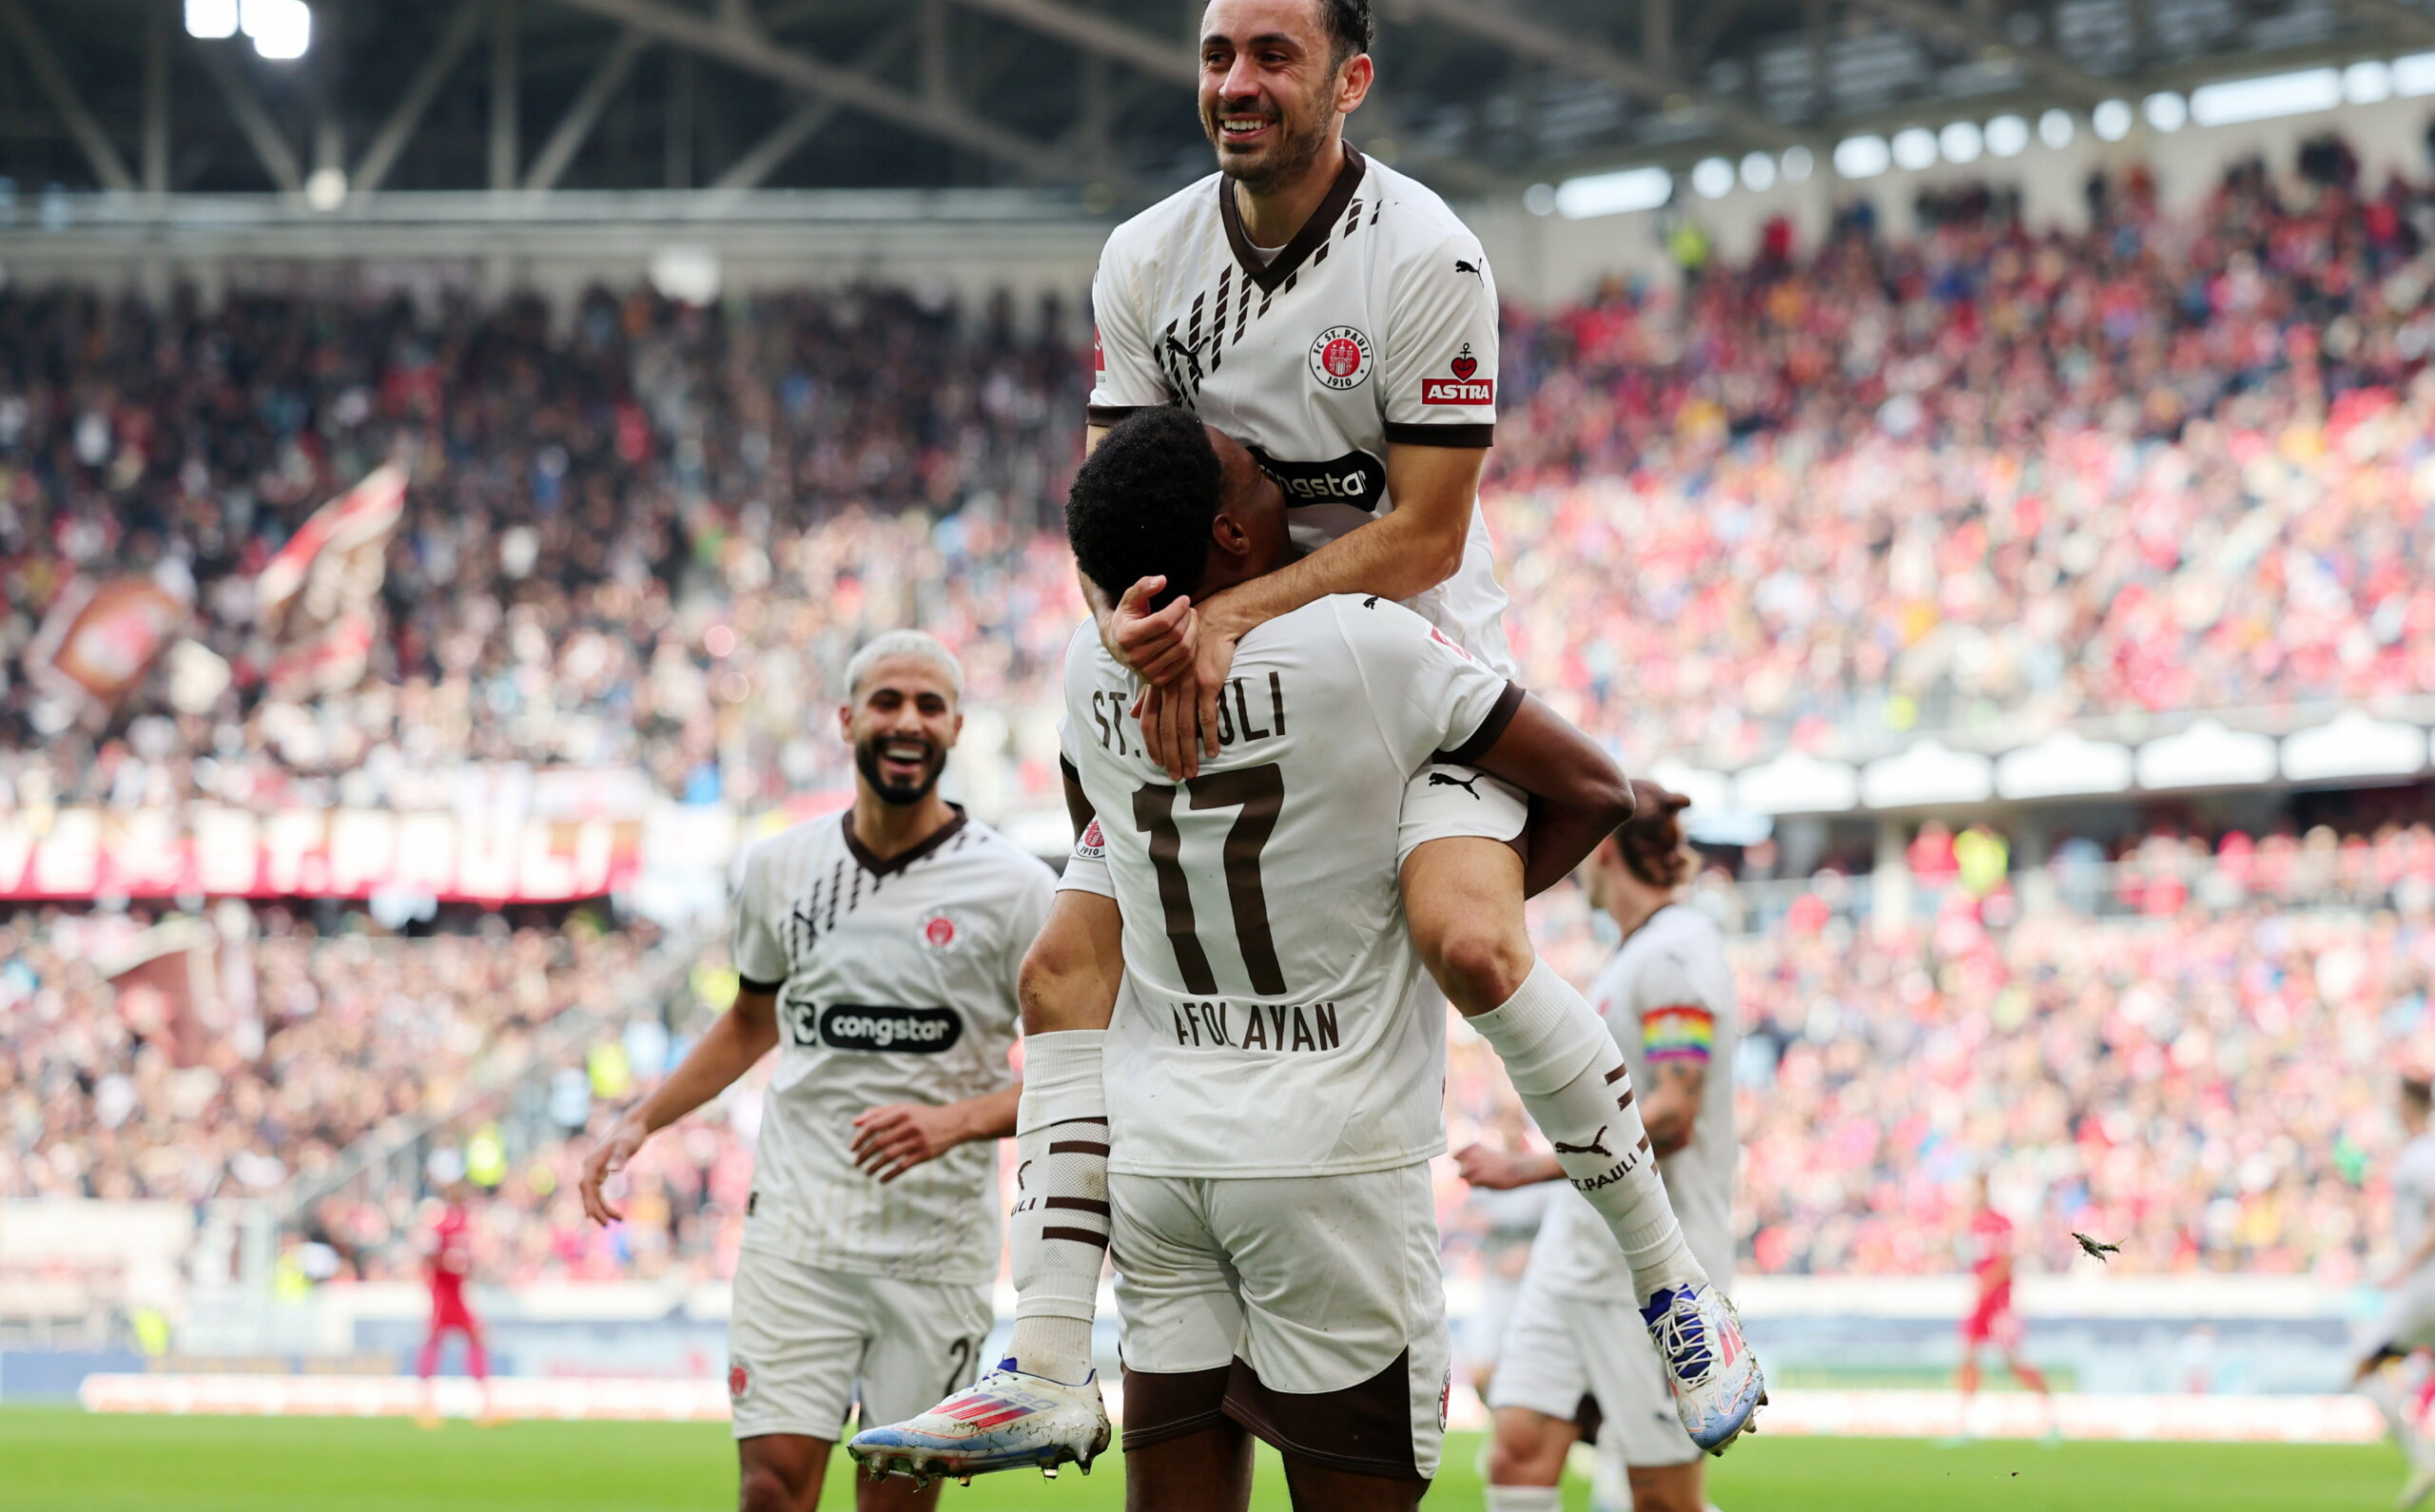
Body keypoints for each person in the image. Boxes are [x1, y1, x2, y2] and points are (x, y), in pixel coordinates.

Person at [851, 413, 1762, 1503]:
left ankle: (1045, 1351)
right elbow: (1599, 788)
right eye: (1255, 468)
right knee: (1479, 948)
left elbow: (1100, 823)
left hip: (1161, 1165)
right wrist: (1411, 895)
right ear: (1234, 536)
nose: (1278, 459)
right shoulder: (1365, 642)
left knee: (1055, 971)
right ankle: (1673, 1285)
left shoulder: (1086, 670)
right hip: (1332, 1165)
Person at [1081, 0, 1722, 1411]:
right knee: (1067, 954)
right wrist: (1137, 617)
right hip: (1220, 653)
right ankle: (1044, 1346)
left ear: (1351, 80)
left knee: (1475, 946)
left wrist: (1246, 617)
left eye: (1274, 55)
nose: (1236, 83)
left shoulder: (1425, 255)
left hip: (1409, 651)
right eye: (1217, 55)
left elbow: (1428, 533)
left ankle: (1671, 1275)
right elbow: (1115, 498)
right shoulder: (1145, 259)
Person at [577, 630, 1054, 1512]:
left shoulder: (1018, 888)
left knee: (896, 1498)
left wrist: (954, 1120)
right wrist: (641, 1117)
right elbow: (750, 1020)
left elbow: (1078, 1071)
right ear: (846, 720)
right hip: (797, 1235)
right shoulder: (780, 868)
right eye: (886, 701)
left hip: (933, 1247)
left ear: (955, 726)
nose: (907, 721)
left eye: (928, 705)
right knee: (770, 1488)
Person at [1456, 787, 1738, 1512]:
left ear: (1602, 845)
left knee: (1662, 1495)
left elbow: (1675, 1111)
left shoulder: (1678, 951)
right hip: (1575, 1249)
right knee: (1516, 1450)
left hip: (1649, 1266)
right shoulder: (1637, 954)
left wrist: (1530, 1167)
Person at [2352, 1075, 2435, 1508]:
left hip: (2426, 1289)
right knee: (2421, 1360)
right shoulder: (2418, 1154)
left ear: (2410, 1105)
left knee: (2363, 1369)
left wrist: (2404, 1266)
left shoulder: (2423, 1156)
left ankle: (2424, 1460)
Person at [1949, 1173, 2058, 1444]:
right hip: (1982, 1301)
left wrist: (1988, 1284)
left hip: (1998, 1302)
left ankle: (2051, 1419)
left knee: (2015, 1362)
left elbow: (2008, 1258)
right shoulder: (1972, 1224)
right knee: (1968, 1359)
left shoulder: (2000, 1222)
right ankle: (1964, 1425)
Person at [415, 1176, 494, 1427]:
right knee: (434, 1340)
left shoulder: (463, 1223)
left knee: (474, 1338)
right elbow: (428, 1256)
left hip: (458, 1292)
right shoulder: (440, 1222)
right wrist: (447, 1263)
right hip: (443, 1292)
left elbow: (467, 1260)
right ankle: (426, 1405)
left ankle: (485, 1405)